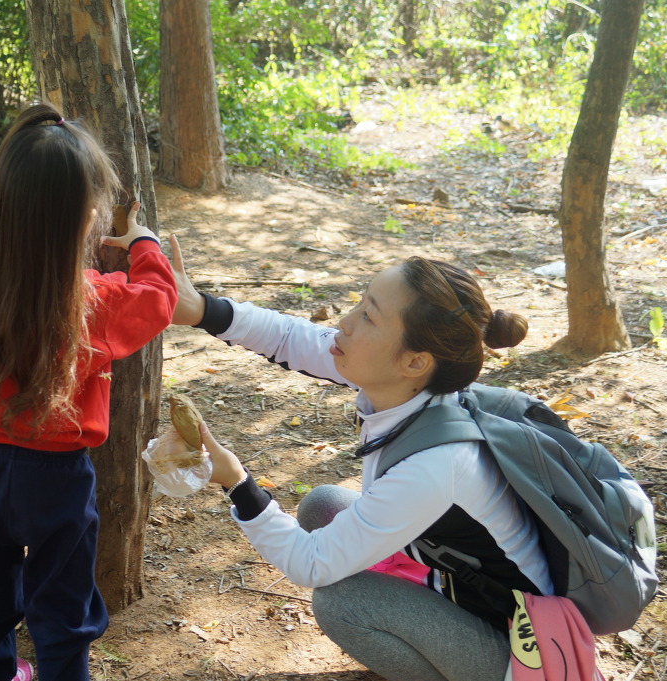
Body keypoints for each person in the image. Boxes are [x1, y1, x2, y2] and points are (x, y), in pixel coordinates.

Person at [169, 235, 541, 681]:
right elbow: (291, 337)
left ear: (415, 361)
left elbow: (310, 565)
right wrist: (200, 309)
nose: (344, 323)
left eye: (368, 316)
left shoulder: (438, 463)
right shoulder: (413, 387)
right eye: (360, 303)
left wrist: (236, 483)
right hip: (456, 581)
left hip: (520, 648)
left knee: (343, 603)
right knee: (322, 505)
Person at [0, 103, 177, 681]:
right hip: (58, 476)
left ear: (2, 202)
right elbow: (158, 298)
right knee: (62, 592)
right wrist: (143, 244)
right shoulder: (95, 300)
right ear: (85, 217)